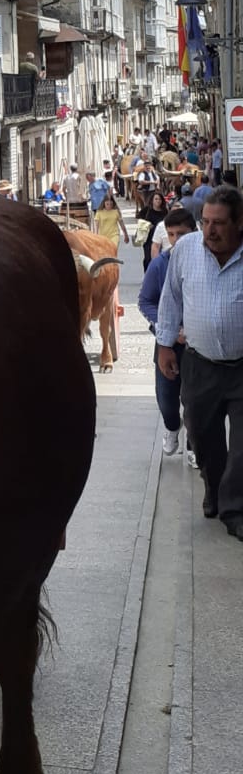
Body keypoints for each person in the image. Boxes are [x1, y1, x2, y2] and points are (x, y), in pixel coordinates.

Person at [157, 187, 243, 537]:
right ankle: (215, 489)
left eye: (219, 223)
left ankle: (235, 509)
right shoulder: (186, 250)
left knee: (242, 449)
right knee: (203, 437)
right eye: (205, 222)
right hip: (200, 364)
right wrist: (164, 345)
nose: (210, 230)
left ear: (239, 223)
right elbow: (171, 298)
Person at [140, 206, 198, 455]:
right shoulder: (159, 265)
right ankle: (172, 427)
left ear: (194, 232)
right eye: (171, 234)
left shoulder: (205, 261)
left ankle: (194, 446)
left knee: (196, 400)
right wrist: (167, 328)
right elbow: (145, 301)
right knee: (166, 399)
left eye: (181, 234)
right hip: (168, 342)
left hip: (198, 345)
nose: (176, 239)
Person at [138, 189, 168, 270]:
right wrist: (146, 224)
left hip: (160, 238)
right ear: (152, 200)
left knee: (158, 258)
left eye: (159, 199)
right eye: (156, 199)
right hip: (148, 238)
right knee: (148, 258)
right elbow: (139, 218)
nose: (158, 201)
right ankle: (147, 273)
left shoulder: (165, 211)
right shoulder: (147, 210)